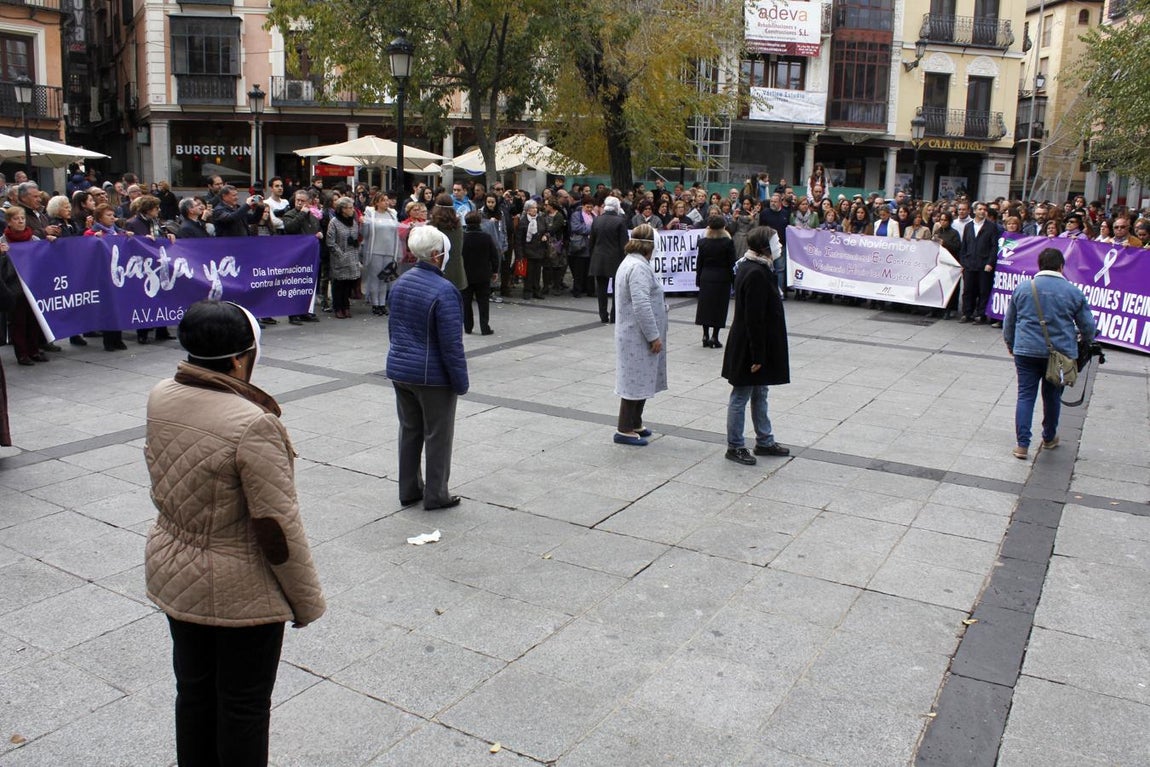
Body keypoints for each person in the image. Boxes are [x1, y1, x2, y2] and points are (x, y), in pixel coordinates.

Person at [144, 299, 325, 766]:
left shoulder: (162, 393)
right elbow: (276, 527)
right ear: (241, 359)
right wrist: (306, 601)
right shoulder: (253, 424)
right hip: (240, 586)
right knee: (243, 705)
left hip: (175, 569)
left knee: (195, 691)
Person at [386, 224, 469, 510]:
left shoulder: (400, 283)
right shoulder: (444, 291)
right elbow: (451, 345)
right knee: (438, 435)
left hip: (401, 369)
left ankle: (409, 488)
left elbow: (393, 329)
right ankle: (436, 493)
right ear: (435, 255)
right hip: (432, 376)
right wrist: (461, 381)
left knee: (410, 430)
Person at [1002, 247, 1096, 460]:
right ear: (1061, 266)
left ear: (1039, 265)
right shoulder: (1073, 291)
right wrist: (1086, 344)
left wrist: (1011, 344)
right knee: (1052, 395)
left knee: (1025, 395)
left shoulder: (1024, 288)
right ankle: (1049, 437)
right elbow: (1088, 326)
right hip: (1060, 354)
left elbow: (1010, 322)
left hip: (1025, 350)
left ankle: (1022, 445)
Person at [722, 226, 791, 465]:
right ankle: (735, 445)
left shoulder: (760, 268)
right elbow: (753, 318)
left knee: (760, 392)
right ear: (764, 247)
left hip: (756, 343)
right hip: (749, 346)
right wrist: (757, 355)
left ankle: (764, 440)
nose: (779, 245)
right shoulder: (755, 273)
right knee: (741, 395)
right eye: (775, 241)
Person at [612, 223, 667, 447]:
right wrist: (653, 336)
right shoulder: (638, 267)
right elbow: (641, 304)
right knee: (633, 382)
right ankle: (624, 428)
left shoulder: (636, 263)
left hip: (637, 334)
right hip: (637, 336)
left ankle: (635, 422)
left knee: (642, 378)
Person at [1, 207, 49, 365]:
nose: (21, 221)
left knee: (34, 320)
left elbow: (43, 258)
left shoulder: (33, 239)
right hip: (15, 287)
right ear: (9, 222)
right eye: (16, 219)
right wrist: (2, 255)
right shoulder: (3, 241)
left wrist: (50, 243)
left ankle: (34, 350)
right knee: (19, 321)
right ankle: (22, 353)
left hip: (33, 285)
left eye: (22, 218)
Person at [695, 215, 737, 349]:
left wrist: (698, 278)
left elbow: (699, 263)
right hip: (722, 277)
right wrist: (733, 280)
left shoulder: (703, 243)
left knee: (705, 306)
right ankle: (715, 336)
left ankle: (705, 335)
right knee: (719, 307)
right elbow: (732, 263)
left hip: (706, 276)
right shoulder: (727, 243)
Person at [589, 196, 629, 323]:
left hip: (599, 257)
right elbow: (624, 243)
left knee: (601, 288)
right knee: (617, 288)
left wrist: (593, 256)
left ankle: (603, 315)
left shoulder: (597, 220)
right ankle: (614, 315)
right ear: (616, 207)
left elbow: (592, 242)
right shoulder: (620, 221)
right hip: (615, 259)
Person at [461, 211, 500, 335]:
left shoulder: (462, 237)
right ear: (479, 222)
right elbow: (494, 256)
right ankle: (484, 327)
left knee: (466, 302)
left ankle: (468, 326)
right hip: (483, 274)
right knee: (483, 302)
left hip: (466, 275)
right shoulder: (486, 237)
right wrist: (495, 271)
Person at [958, 202, 998, 324]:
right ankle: (967, 313)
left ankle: (981, 314)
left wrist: (990, 263)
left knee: (983, 290)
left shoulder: (991, 227)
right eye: (980, 209)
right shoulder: (969, 226)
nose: (982, 211)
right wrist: (963, 261)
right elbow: (964, 245)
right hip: (969, 263)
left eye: (984, 209)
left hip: (984, 263)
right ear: (974, 211)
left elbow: (994, 247)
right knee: (968, 290)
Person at [361, 192, 399, 316]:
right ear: (376, 202)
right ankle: (375, 303)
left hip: (389, 250)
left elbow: (396, 232)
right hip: (375, 250)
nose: (386, 203)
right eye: (383, 200)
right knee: (374, 277)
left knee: (384, 278)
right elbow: (365, 233)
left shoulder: (392, 214)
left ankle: (382, 303)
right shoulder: (371, 214)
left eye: (387, 200)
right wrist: (364, 223)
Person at [325, 196, 361, 319]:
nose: (352, 210)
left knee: (348, 284)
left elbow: (356, 236)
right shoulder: (334, 222)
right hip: (340, 257)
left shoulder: (353, 222)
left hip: (352, 256)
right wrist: (340, 254)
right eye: (350, 208)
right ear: (342, 209)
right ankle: (338, 307)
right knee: (339, 284)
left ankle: (346, 306)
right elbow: (330, 242)